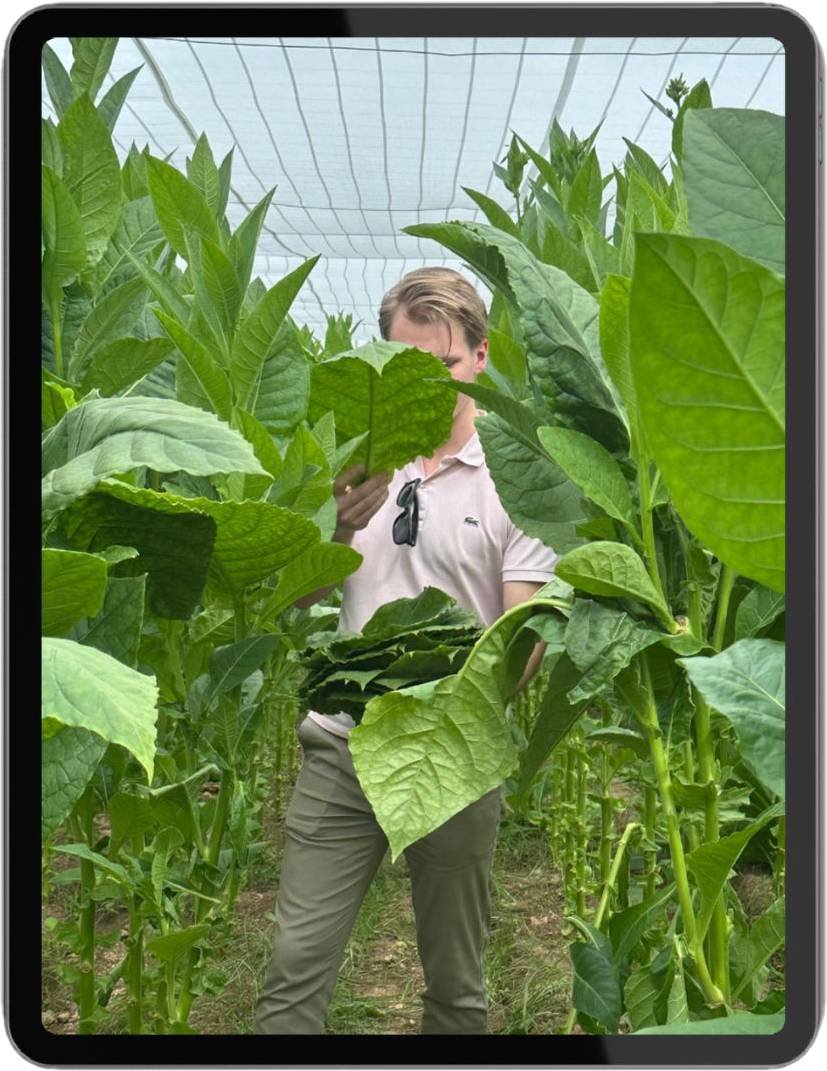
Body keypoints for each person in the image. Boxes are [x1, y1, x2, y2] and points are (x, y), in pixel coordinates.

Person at [253, 267, 558, 1035]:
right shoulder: (351, 464)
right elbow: (293, 597)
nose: (429, 386)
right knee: (292, 970)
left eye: (446, 367)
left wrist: (441, 725)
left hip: (453, 757)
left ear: (482, 356)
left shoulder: (516, 481)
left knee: (456, 985)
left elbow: (519, 647)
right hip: (340, 749)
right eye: (409, 368)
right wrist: (335, 528)